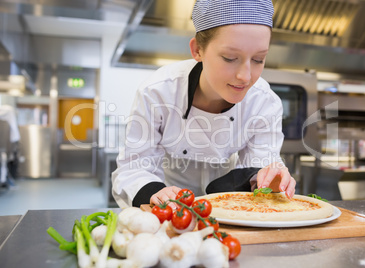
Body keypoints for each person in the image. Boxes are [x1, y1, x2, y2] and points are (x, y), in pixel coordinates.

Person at [111, 0, 296, 209]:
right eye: (229, 58)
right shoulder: (158, 92)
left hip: (230, 208)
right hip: (170, 209)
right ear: (197, 50)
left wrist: (270, 177)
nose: (245, 76)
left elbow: (260, 167)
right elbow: (133, 168)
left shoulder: (264, 102)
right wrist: (155, 193)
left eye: (259, 59)